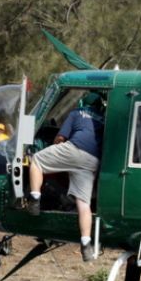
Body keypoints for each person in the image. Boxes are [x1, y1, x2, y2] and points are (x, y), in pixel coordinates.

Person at [26, 92, 105, 261]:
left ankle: (34, 199)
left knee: (37, 161)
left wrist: (54, 148)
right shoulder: (104, 120)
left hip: (74, 149)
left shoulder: (76, 113)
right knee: (84, 204)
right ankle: (86, 243)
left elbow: (60, 138)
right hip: (92, 160)